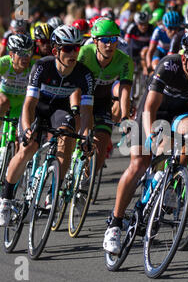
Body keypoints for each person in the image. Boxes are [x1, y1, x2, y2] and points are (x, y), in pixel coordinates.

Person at [103, 30, 188, 255]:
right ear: (185, 58)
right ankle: (115, 224)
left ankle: (168, 182)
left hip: (180, 113)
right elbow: (149, 108)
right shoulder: (169, 66)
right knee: (139, 163)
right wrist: (151, 137)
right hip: (153, 112)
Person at [0, 25, 94, 227]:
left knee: (67, 136)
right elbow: (29, 104)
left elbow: (86, 112)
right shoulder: (42, 67)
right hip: (38, 108)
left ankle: (54, 192)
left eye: (76, 48)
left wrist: (86, 135)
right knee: (28, 147)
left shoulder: (84, 74)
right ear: (55, 51)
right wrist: (26, 130)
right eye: (68, 48)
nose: (73, 52)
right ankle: (6, 199)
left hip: (59, 111)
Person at [77, 18, 134, 176]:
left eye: (113, 40)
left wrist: (124, 116)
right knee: (78, 134)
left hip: (102, 101)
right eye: (104, 40)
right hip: (81, 97)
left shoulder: (124, 61)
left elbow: (124, 90)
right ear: (95, 41)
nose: (109, 45)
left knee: (102, 145)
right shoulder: (85, 53)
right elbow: (73, 82)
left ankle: (85, 183)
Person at [0, 34, 36, 131]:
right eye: (21, 53)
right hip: (4, 99)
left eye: (28, 53)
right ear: (11, 54)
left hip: (21, 104)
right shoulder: (4, 63)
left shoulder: (33, 66)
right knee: (3, 102)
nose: (26, 57)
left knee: (17, 141)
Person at [125, 11, 154, 75]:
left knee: (144, 52)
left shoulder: (152, 28)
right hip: (134, 48)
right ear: (137, 23)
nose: (143, 26)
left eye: (145, 24)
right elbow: (126, 42)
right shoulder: (132, 27)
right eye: (141, 24)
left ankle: (145, 70)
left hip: (146, 49)